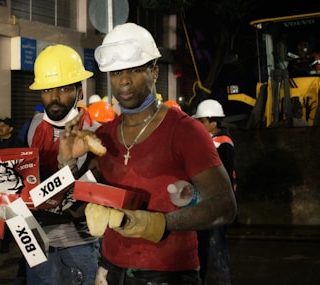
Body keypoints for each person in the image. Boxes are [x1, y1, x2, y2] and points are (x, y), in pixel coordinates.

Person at [57, 23, 236, 284]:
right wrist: (69, 162)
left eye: (135, 70)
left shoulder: (186, 131)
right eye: (116, 72)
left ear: (154, 72)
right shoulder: (104, 135)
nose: (124, 80)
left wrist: (159, 224)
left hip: (168, 273)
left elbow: (225, 206)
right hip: (109, 270)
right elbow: (79, 204)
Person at [24, 44, 101, 285]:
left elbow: (96, 195)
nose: (54, 98)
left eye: (64, 88)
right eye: (47, 90)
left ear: (80, 91)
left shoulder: (95, 135)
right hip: (35, 240)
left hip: (79, 245)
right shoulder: (33, 127)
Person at [193, 99, 237, 285]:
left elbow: (222, 176)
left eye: (201, 121)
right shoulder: (212, 141)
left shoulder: (222, 144)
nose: (198, 124)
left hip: (217, 203)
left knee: (216, 245)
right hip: (208, 202)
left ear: (213, 122)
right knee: (205, 245)